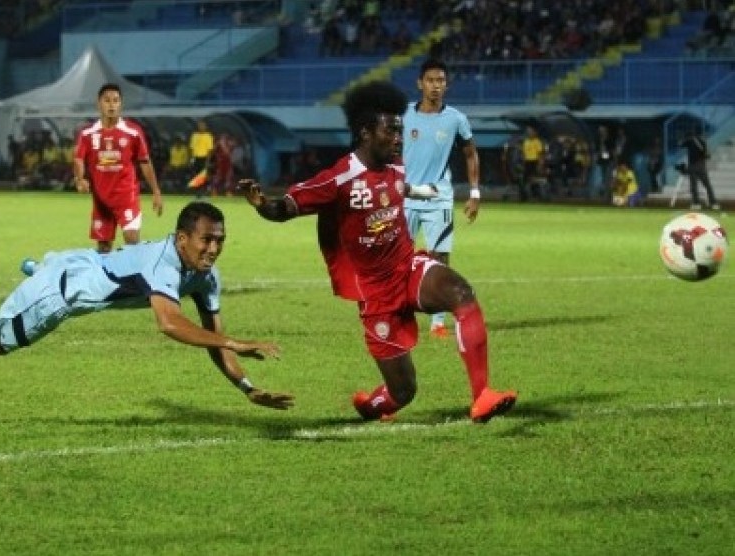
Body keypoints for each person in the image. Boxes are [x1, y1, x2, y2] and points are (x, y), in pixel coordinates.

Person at [238, 81, 516, 424]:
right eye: (391, 130)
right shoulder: (340, 178)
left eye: (400, 130)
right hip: (375, 293)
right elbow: (287, 208)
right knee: (404, 392)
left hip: (408, 267)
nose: (398, 138)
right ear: (366, 132)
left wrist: (427, 192)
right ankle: (370, 406)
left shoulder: (397, 166)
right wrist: (262, 204)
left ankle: (482, 396)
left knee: (461, 293)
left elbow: (401, 188)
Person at [0, 202, 294, 418]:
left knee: (86, 269)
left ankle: (43, 265)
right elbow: (169, 323)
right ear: (182, 239)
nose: (213, 249)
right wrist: (237, 342)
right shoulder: (164, 264)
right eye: (205, 240)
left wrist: (248, 388)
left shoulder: (206, 277)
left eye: (219, 241)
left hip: (86, 262)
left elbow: (215, 344)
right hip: (58, 296)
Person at [402, 58, 481, 339]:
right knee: (398, 257)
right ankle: (399, 312)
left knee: (439, 257)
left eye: (441, 81)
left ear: (446, 85)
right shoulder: (403, 116)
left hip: (439, 198)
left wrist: (474, 193)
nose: (436, 86)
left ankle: (437, 321)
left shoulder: (456, 119)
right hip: (405, 197)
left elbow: (471, 154)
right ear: (420, 84)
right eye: (431, 80)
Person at [73, 83, 164, 254]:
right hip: (101, 201)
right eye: (107, 101)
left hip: (126, 196)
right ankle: (107, 280)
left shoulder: (133, 132)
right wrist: (80, 179)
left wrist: (156, 191)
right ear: (98, 103)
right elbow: (78, 159)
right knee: (103, 248)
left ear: (121, 104)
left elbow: (145, 162)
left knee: (132, 242)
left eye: (116, 101)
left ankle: (133, 280)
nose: (111, 105)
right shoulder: (87, 134)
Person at [679, 129, 719, 211]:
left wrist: (682, 139)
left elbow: (680, 144)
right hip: (702, 165)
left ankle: (696, 203)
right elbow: (707, 154)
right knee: (707, 185)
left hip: (692, 166)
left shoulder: (690, 140)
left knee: (693, 186)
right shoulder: (703, 141)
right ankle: (714, 203)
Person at [189, 119, 215, 195]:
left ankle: (204, 189)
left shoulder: (208, 136)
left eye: (203, 125)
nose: (201, 127)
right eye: (200, 125)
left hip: (204, 157)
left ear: (205, 126)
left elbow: (210, 150)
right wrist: (191, 159)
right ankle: (197, 190)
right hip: (196, 157)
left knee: (203, 174)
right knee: (196, 174)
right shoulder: (194, 135)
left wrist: (208, 160)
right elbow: (191, 148)